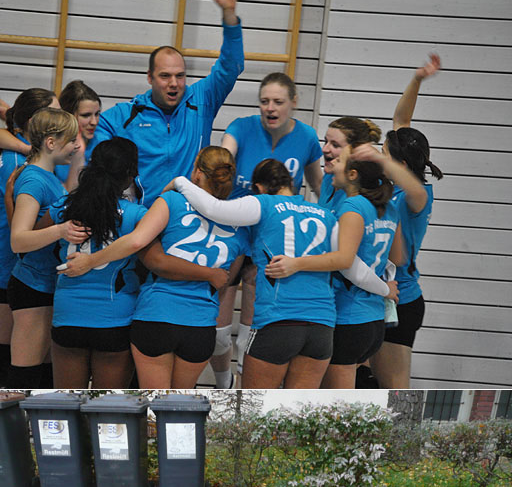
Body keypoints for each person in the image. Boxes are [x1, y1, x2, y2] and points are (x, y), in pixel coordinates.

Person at [170, 158, 398, 389]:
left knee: (256, 408)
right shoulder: (325, 215)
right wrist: (385, 289)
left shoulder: (265, 204)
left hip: (278, 321)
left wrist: (180, 182)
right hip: (321, 328)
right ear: (292, 183)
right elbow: (353, 268)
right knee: (297, 413)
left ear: (259, 187)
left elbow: (214, 209)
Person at [62, 146, 248, 388]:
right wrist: (207, 275)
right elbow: (225, 280)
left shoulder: (171, 200)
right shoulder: (240, 222)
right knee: (178, 409)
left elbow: (141, 245)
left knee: (153, 407)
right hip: (200, 323)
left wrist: (91, 261)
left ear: (198, 173)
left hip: (156, 314)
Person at [210, 71, 324, 387]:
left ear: (293, 103)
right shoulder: (241, 128)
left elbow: (319, 187)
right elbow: (224, 157)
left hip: (272, 242)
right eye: (264, 102)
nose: (270, 108)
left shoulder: (307, 137)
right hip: (233, 236)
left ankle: (247, 389)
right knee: (217, 335)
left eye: (278, 102)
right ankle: (224, 382)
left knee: (252, 333)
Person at [266, 146, 405, 389]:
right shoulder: (390, 207)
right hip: (373, 321)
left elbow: (345, 262)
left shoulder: (353, 208)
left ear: (353, 174)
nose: (330, 166)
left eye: (337, 161)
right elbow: (398, 257)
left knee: (335, 405)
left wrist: (296, 264)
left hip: (349, 316)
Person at [92, 0, 244, 206]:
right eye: (165, 76)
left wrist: (229, 14)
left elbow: (231, 66)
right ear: (150, 77)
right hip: (145, 218)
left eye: (180, 76)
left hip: (191, 216)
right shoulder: (129, 114)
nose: (174, 83)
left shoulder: (202, 99)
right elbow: (93, 128)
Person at [0, 87, 58, 388]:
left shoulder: (15, 150)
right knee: (1, 356)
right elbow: (22, 226)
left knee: (7, 352)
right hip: (4, 264)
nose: (62, 118)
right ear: (33, 121)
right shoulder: (25, 166)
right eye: (54, 113)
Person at [368, 54, 443, 388]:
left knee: (393, 389)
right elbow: (401, 118)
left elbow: (412, 182)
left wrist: (377, 158)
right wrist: (417, 80)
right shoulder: (399, 184)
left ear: (398, 162)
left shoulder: (417, 197)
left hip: (403, 301)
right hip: (382, 295)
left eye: (385, 153)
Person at [7, 108, 87, 388]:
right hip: (32, 286)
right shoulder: (33, 180)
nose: (76, 145)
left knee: (42, 377)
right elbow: (18, 239)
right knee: (25, 377)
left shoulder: (49, 177)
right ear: (50, 143)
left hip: (45, 285)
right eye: (70, 140)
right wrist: (61, 231)